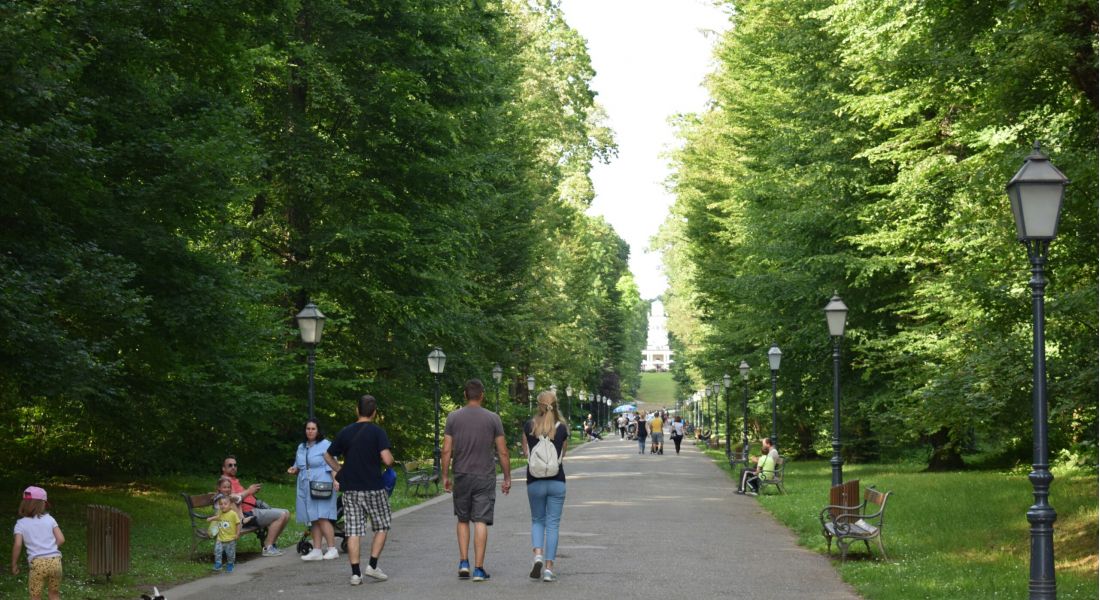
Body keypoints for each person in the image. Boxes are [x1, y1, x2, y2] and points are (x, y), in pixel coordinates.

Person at [441, 379, 511, 582]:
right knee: (480, 520)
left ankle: (464, 562)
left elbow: (446, 450)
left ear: (465, 395)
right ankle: (479, 569)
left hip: (461, 474)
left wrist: (445, 476)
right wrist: (507, 477)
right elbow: (503, 451)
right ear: (482, 395)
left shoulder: (453, 418)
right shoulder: (493, 419)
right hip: (484, 476)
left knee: (462, 519)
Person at [324, 394, 395, 585]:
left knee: (353, 530)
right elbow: (387, 460)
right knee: (382, 525)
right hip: (374, 487)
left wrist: (341, 470)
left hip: (351, 489)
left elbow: (328, 455)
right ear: (374, 413)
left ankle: (356, 574)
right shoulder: (378, 432)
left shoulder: (345, 432)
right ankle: (372, 565)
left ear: (357, 410)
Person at [521, 391, 569, 582]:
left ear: (539, 405)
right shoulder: (562, 428)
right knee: (553, 524)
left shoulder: (529, 426)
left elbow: (526, 452)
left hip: (535, 481)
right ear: (555, 405)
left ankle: (538, 555)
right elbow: (562, 456)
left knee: (537, 520)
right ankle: (549, 569)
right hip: (557, 481)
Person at [288, 418, 338, 561]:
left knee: (322, 516)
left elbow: (333, 464)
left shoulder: (325, 445)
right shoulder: (301, 447)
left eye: (313, 429)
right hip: (305, 484)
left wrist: (336, 479)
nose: (310, 431)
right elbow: (298, 465)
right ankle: (316, 550)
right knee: (313, 518)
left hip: (322, 482)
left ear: (318, 430)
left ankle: (332, 548)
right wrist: (294, 469)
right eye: (308, 429)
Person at [221, 456, 290, 556]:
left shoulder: (234, 480)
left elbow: (240, 495)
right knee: (282, 515)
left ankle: (272, 544)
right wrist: (249, 491)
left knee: (287, 513)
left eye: (235, 465)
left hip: (253, 509)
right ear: (223, 468)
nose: (233, 467)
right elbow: (232, 498)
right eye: (230, 465)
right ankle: (267, 547)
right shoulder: (225, 482)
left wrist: (251, 493)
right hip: (246, 514)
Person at [11, 486, 64, 600]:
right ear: (43, 504)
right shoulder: (50, 519)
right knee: (54, 594)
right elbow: (61, 539)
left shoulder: (21, 524)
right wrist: (49, 549)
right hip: (55, 562)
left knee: (35, 596)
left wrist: (14, 564)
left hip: (38, 564)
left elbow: (18, 544)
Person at [206, 494, 241, 573]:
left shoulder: (233, 514)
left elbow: (238, 524)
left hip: (230, 538)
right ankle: (218, 564)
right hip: (220, 538)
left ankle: (230, 563)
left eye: (225, 504)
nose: (223, 506)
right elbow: (218, 517)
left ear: (230, 505)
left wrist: (237, 533)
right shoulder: (221, 513)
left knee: (230, 553)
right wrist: (211, 518)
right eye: (221, 504)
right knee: (217, 551)